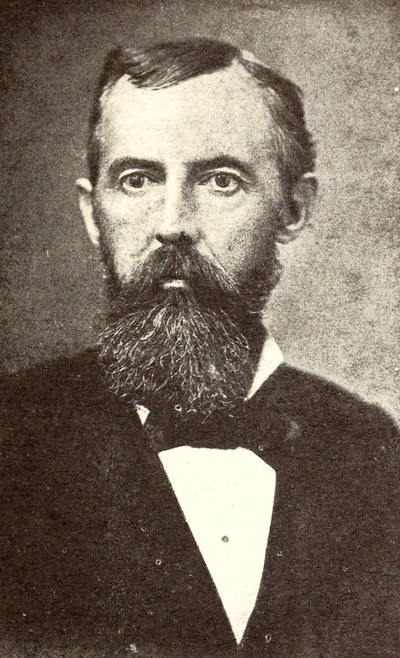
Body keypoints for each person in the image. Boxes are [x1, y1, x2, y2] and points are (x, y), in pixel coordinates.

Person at [0, 39, 398, 657]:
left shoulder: (373, 452)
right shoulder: (13, 436)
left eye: (220, 181)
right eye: (137, 180)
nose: (172, 224)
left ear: (294, 209)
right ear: (92, 213)